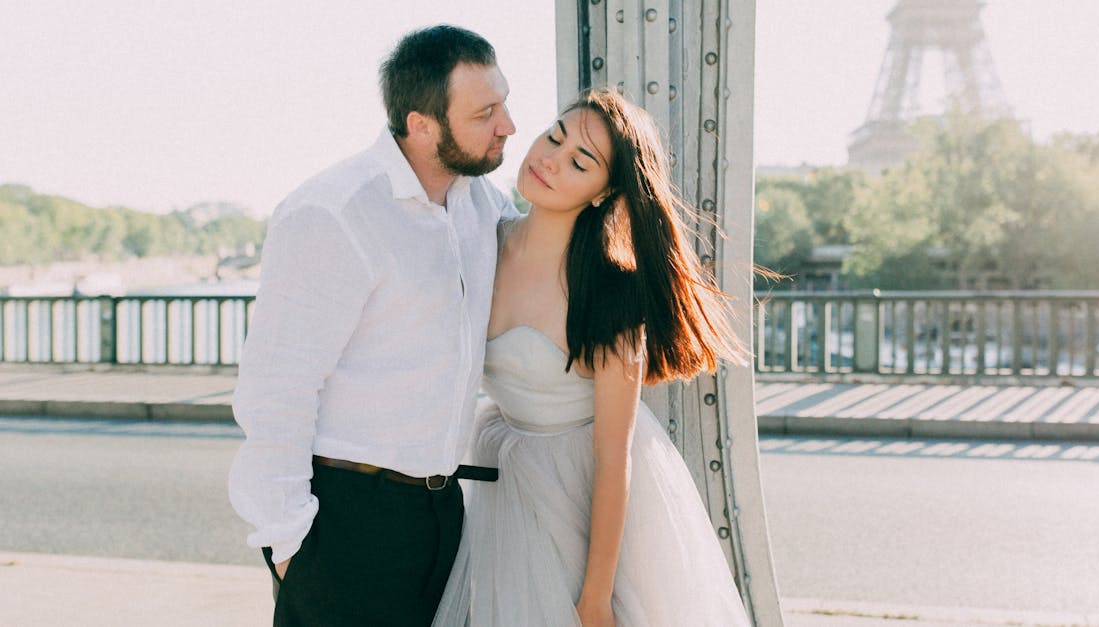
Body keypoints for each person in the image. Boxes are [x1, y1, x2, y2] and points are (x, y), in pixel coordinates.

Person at [227, 25, 517, 627]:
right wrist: (289, 545)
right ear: (422, 125)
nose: (507, 125)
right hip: (347, 520)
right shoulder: (333, 213)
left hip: (444, 513)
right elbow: (277, 388)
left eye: (503, 103)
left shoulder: (483, 204)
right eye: (485, 112)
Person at [433, 88, 752, 626]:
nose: (550, 160)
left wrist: (596, 595)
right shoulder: (480, 244)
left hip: (588, 493)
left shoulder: (611, 292)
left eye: (579, 162)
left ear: (604, 193)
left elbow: (612, 457)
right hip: (505, 480)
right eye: (554, 137)